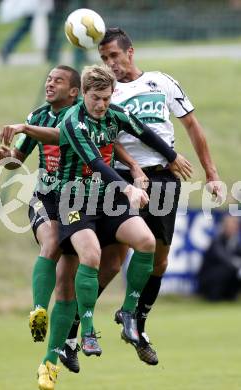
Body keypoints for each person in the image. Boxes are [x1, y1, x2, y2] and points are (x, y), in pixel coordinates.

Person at [0, 64, 192, 389]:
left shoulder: (111, 114)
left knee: (142, 243)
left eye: (106, 98)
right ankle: (56, 350)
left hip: (104, 200)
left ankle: (126, 314)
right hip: (71, 200)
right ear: (82, 95)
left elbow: (142, 133)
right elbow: (96, 162)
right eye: (96, 98)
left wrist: (170, 156)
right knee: (69, 275)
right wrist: (128, 185)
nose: (102, 105)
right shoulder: (71, 121)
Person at [83, 27, 223, 366]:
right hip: (124, 180)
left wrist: (212, 174)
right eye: (104, 58)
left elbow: (192, 126)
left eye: (114, 56)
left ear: (130, 52)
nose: (110, 63)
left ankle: (136, 324)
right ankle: (77, 322)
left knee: (159, 262)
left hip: (163, 178)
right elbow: (104, 135)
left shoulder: (161, 82)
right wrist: (132, 169)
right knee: (112, 260)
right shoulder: (106, 93)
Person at [0, 64, 81, 343]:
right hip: (44, 196)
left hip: (77, 200)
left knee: (68, 281)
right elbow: (18, 158)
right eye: (49, 79)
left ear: (74, 91)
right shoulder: (39, 114)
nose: (50, 84)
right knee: (50, 243)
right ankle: (39, 310)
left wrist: (25, 127)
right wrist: (1, 158)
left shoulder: (79, 116)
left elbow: (62, 136)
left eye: (59, 81)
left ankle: (64, 345)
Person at [198, 215, 241, 301]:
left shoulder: (236, 242)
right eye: (230, 227)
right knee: (227, 270)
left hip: (226, 278)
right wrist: (238, 264)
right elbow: (224, 258)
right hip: (209, 279)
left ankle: (230, 295)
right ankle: (213, 296)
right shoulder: (216, 240)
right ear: (224, 227)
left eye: (234, 227)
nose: (232, 229)